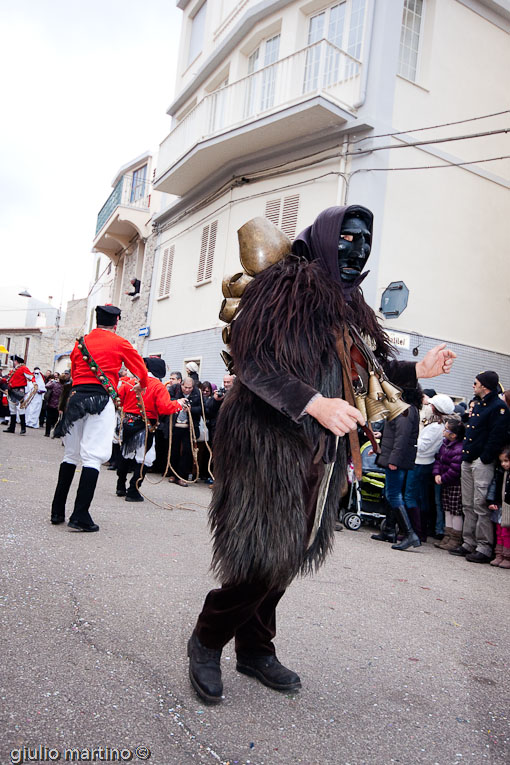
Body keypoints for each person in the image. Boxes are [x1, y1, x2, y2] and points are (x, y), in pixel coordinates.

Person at [187, 206, 456, 703]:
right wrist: (313, 403)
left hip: (320, 451)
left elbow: (367, 371)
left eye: (366, 241)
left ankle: (255, 650)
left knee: (290, 554)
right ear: (326, 238)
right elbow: (254, 362)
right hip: (266, 446)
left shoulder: (349, 305)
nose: (358, 249)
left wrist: (419, 368)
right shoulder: (284, 287)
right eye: (348, 238)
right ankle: (206, 639)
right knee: (262, 555)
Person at [49, 305, 149, 532]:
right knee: (92, 457)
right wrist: (141, 386)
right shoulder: (119, 342)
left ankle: (57, 511)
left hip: (75, 400)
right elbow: (140, 370)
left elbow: (74, 372)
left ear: (97, 321)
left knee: (70, 455)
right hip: (101, 400)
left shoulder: (80, 342)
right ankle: (80, 515)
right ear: (116, 322)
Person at [450, 371, 510, 563]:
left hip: (481, 461)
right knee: (467, 504)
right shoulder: (479, 405)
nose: (473, 385)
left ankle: (484, 546)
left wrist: (485, 458)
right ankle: (469, 542)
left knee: (480, 505)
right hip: (469, 458)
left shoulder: (498, 407)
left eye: (476, 382)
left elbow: (497, 435)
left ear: (485, 385)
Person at [116, 357, 187, 501]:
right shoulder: (157, 386)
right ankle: (133, 490)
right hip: (145, 426)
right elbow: (165, 407)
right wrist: (179, 404)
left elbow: (119, 400)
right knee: (146, 459)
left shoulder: (129, 382)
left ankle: (120, 486)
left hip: (127, 423)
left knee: (126, 453)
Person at [372, 386, 422, 550]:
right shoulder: (405, 408)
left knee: (393, 494)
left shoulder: (405, 410)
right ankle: (389, 530)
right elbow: (396, 433)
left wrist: (394, 460)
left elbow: (402, 437)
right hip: (395, 457)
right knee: (391, 493)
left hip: (396, 459)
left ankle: (409, 534)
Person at [404, 393, 454, 542]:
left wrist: (409, 444)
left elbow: (422, 446)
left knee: (410, 496)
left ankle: (415, 531)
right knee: (422, 497)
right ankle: (422, 531)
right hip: (428, 462)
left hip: (420, 462)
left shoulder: (434, 427)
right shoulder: (440, 426)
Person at [432, 415, 465, 551]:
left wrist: (443, 477)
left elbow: (455, 469)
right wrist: (437, 473)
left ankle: (455, 537)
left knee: (455, 511)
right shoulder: (445, 444)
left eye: (446, 430)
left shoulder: (458, 448)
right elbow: (438, 460)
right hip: (445, 481)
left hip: (454, 484)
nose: (443, 432)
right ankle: (448, 534)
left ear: (453, 434)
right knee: (447, 509)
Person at [168, 376, 201, 486]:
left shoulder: (197, 393)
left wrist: (191, 409)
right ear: (181, 385)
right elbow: (168, 400)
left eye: (190, 388)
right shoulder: (174, 389)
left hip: (189, 427)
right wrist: (178, 402)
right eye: (185, 387)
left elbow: (202, 408)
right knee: (174, 450)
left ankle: (182, 476)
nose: (187, 390)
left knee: (187, 451)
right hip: (175, 425)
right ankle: (172, 473)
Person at [487, 446, 510, 568]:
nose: (504, 464)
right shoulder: (500, 473)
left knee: (506, 532)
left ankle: (507, 556)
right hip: (500, 505)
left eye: (506, 461)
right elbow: (494, 487)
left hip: (508, 506)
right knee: (499, 530)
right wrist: (492, 501)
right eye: (502, 461)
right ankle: (499, 554)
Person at [3, 355, 36, 435]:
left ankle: (23, 428)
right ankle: (12, 427)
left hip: (19, 390)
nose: (12, 363)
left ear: (16, 361)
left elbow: (31, 376)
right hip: (11, 390)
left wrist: (34, 383)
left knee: (21, 408)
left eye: (13, 361)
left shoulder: (23, 368)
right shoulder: (14, 370)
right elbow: (8, 379)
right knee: (12, 409)